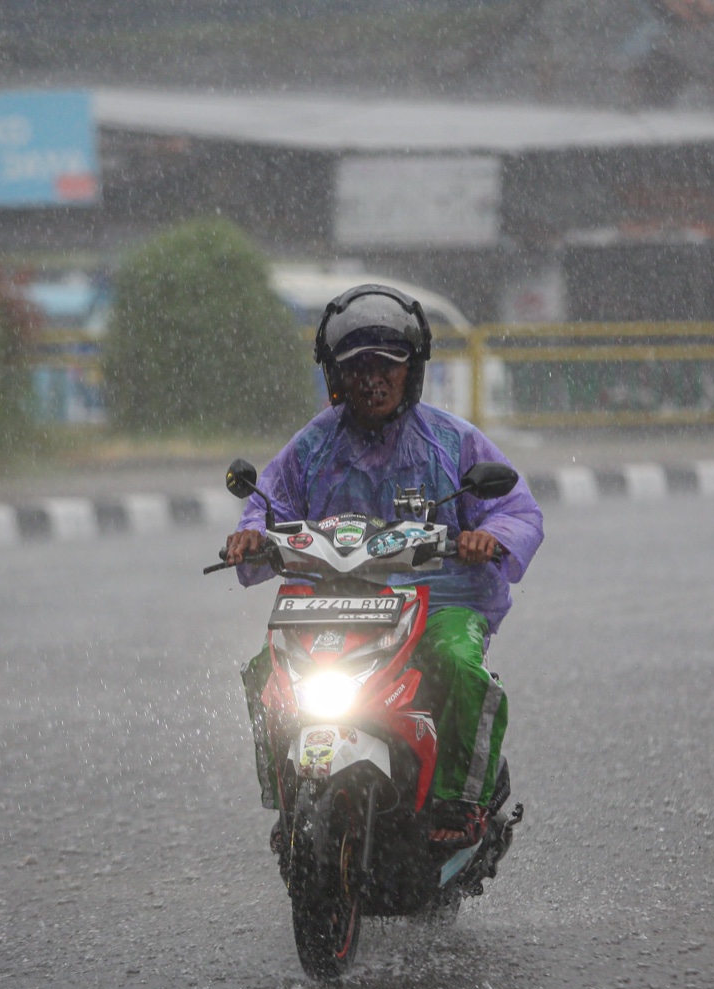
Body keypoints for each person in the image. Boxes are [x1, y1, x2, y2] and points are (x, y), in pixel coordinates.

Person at [223, 284, 543, 847]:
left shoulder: (451, 442)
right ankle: (290, 801)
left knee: (460, 667)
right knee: (265, 674)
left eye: (386, 366)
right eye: (357, 367)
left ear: (412, 372)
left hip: (438, 601)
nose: (371, 380)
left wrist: (488, 538)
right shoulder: (311, 447)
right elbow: (266, 503)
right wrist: (251, 537)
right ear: (335, 377)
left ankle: (460, 802)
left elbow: (516, 508)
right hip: (331, 603)